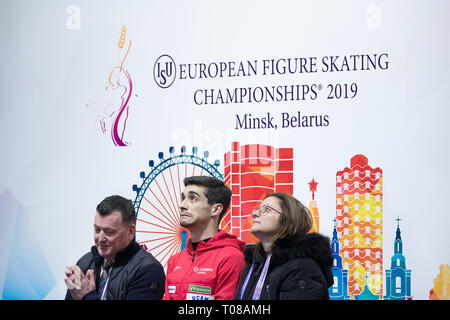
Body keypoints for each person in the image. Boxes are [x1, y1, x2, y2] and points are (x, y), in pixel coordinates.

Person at [234, 192, 333, 300]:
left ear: (288, 219)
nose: (255, 214)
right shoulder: (255, 263)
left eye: (267, 209)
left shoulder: (302, 266)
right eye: (258, 209)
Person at [64, 195, 165, 300]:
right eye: (97, 230)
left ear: (130, 232)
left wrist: (86, 296)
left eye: (109, 232)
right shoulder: (85, 262)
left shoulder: (147, 270)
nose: (100, 238)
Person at [164, 176, 246, 300]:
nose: (182, 205)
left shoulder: (231, 258)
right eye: (183, 198)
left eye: (193, 198)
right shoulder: (175, 260)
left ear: (216, 209)